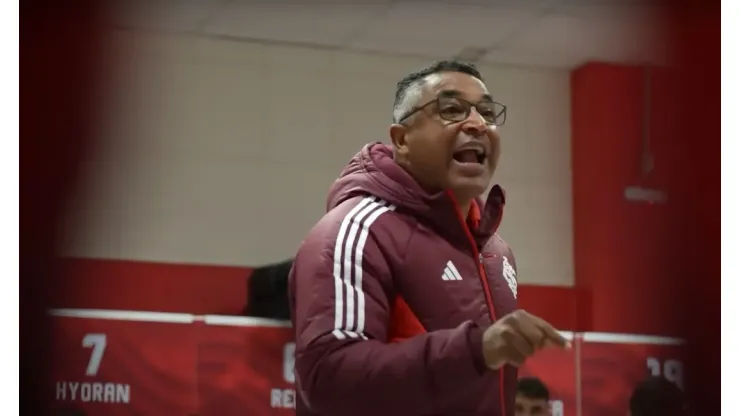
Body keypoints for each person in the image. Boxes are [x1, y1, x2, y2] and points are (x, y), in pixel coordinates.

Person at [289, 60, 569, 416]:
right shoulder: (355, 230)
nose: (477, 123)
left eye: (486, 112)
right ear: (402, 140)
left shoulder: (497, 252)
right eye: (451, 109)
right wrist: (474, 350)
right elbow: (327, 381)